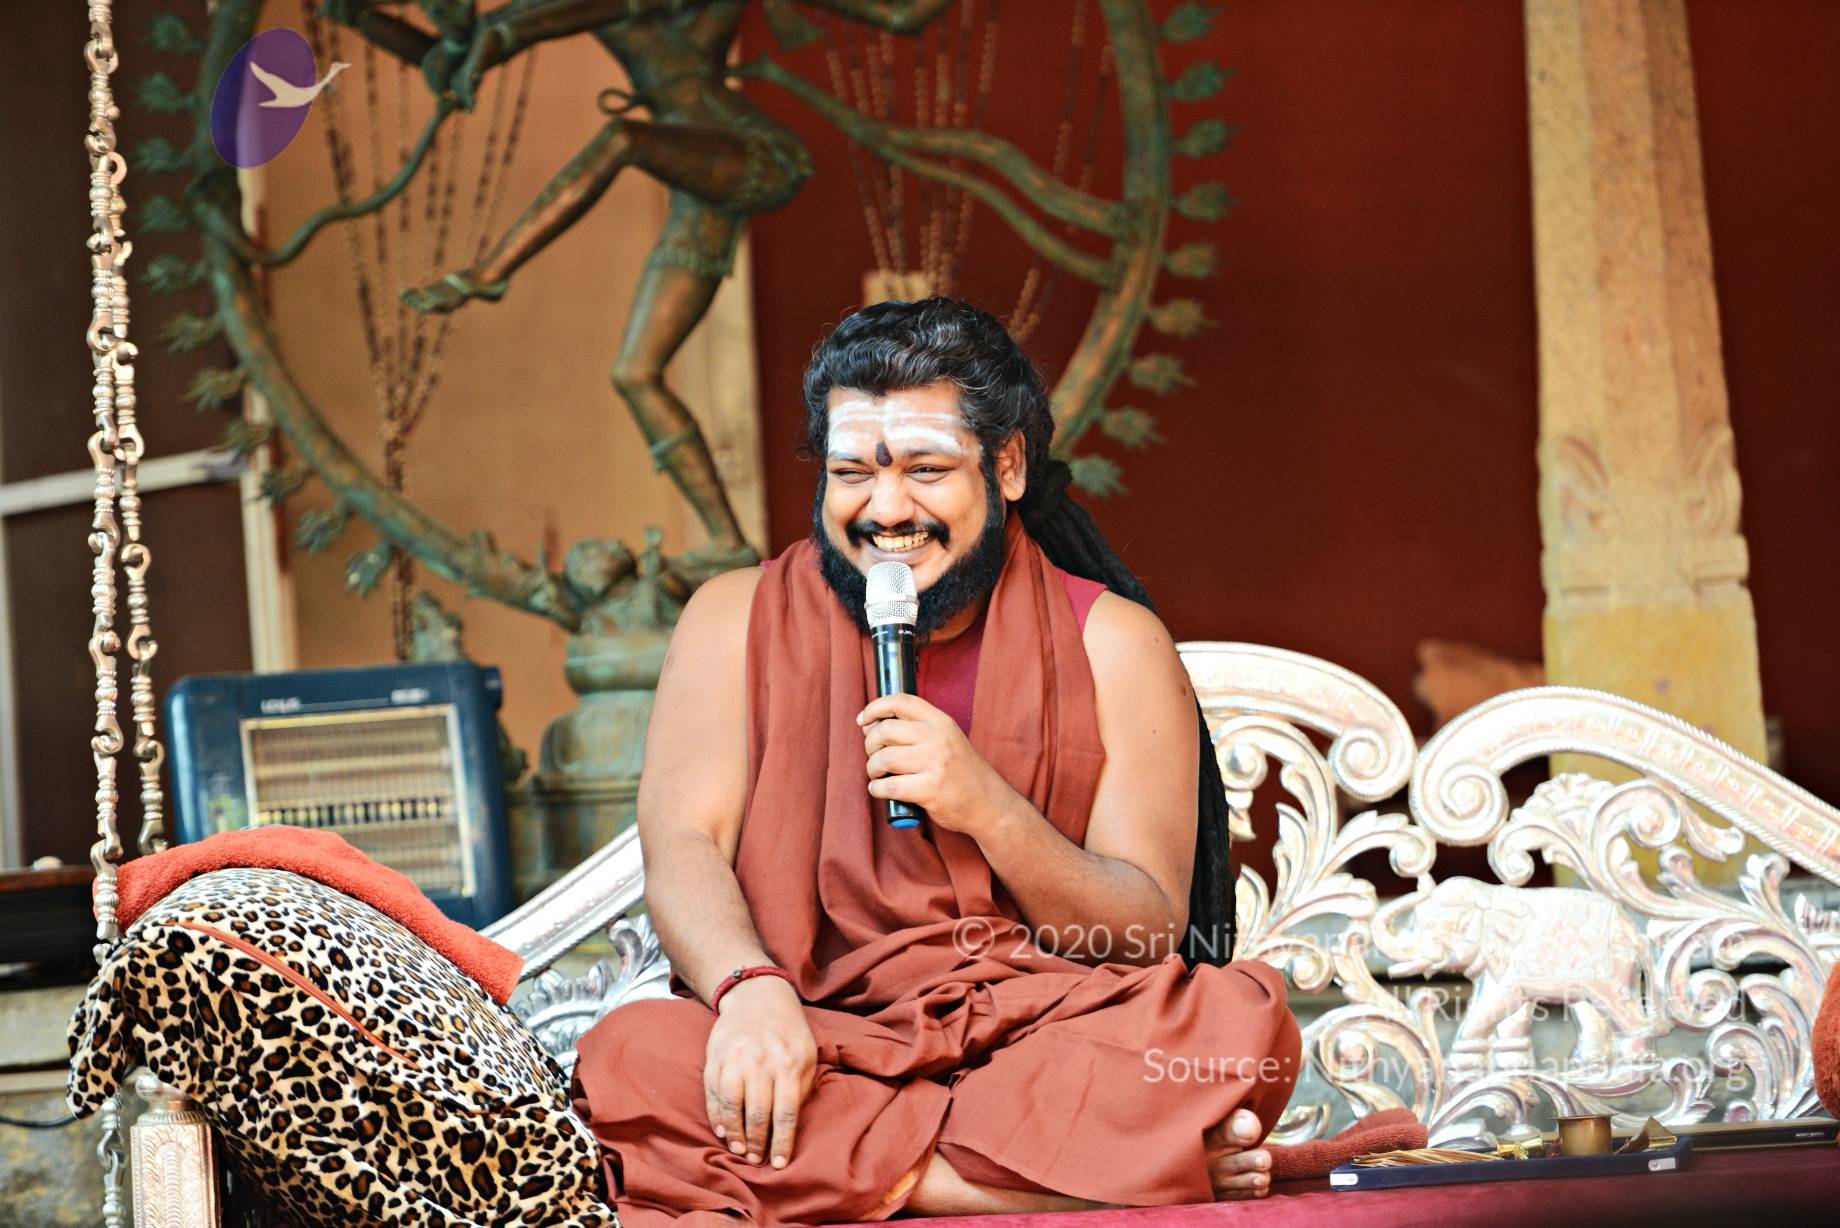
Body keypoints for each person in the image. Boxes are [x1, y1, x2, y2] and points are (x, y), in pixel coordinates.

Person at [570, 298, 1300, 1225]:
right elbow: (682, 845)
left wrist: (986, 806)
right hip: (806, 1032)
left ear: (1007, 465)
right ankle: (1028, 1185)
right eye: (852, 474)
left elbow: (1142, 935)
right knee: (635, 1056)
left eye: (924, 470)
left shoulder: (1114, 643)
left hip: (1030, 1034)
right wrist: (748, 991)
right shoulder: (732, 617)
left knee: (1235, 1028)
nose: (886, 510)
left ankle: (861, 1176)